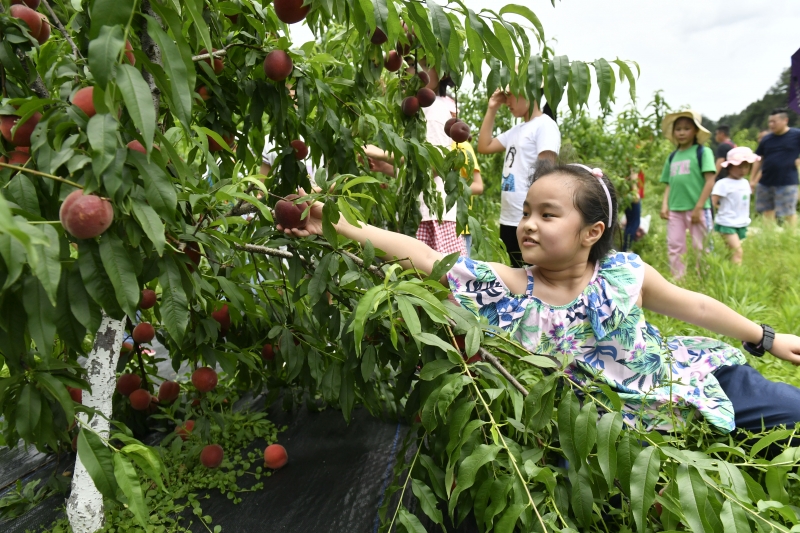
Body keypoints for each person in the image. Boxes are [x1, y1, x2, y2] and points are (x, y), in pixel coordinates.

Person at [277, 163, 800, 433]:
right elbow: (418, 253)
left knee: (789, 411)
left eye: (547, 215)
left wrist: (768, 338)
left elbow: (697, 306)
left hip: (684, 379)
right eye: (526, 212)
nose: (527, 224)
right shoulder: (507, 289)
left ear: (592, 232)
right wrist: (336, 223)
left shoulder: (624, 273)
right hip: (607, 422)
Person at [477, 89, 560, 267]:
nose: (507, 101)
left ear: (529, 91)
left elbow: (546, 176)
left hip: (528, 220)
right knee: (516, 277)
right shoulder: (516, 130)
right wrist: (492, 109)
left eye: (511, 94)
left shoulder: (545, 125)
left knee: (529, 279)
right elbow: (484, 146)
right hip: (509, 217)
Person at [659, 110, 716, 280]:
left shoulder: (703, 153)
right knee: (674, 245)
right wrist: (665, 205)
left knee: (701, 246)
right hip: (676, 209)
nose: (682, 132)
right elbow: (669, 183)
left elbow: (710, 181)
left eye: (686, 128)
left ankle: (703, 278)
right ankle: (679, 280)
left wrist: (699, 207)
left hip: (698, 209)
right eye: (678, 129)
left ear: (696, 131)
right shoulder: (672, 157)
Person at [750, 108, 800, 226]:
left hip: (787, 181)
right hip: (766, 181)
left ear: (785, 120)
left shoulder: (796, 135)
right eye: (770, 122)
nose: (771, 124)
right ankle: (769, 235)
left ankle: (791, 237)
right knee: (767, 211)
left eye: (774, 121)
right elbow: (759, 159)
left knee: (788, 212)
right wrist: (752, 179)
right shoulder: (766, 139)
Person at [711, 147, 760, 264]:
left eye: (746, 166)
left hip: (741, 222)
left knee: (731, 251)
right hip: (727, 222)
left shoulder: (745, 183)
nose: (743, 170)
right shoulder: (722, 184)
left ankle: (726, 271)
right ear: (730, 167)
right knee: (737, 252)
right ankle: (735, 277)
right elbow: (712, 202)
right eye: (739, 166)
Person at [622, 169, 644, 251]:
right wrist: (635, 192)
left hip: (628, 195)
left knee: (630, 223)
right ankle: (626, 249)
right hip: (632, 195)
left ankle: (626, 248)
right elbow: (633, 173)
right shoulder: (633, 158)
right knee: (634, 223)